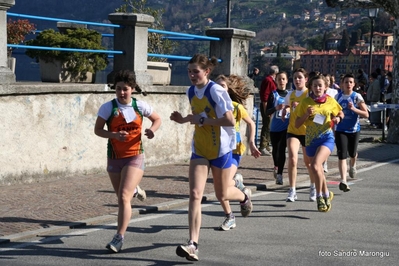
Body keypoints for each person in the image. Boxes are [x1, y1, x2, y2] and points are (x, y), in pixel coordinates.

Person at [170, 54, 253, 261]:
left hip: (221, 150)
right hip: (199, 149)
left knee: (222, 193)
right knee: (195, 194)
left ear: (206, 72)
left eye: (195, 71)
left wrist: (203, 120)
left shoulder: (215, 90)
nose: (191, 75)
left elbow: (227, 120)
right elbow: (198, 117)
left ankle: (243, 197)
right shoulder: (191, 91)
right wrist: (183, 119)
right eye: (189, 71)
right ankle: (192, 244)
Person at [94, 70, 161, 252]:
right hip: (115, 157)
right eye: (118, 89)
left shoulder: (139, 106)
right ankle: (136, 190)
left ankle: (119, 237)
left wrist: (152, 130)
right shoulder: (108, 108)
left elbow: (157, 119)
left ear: (132, 89)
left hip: (135, 155)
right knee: (123, 197)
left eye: (125, 89)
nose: (122, 93)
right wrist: (114, 134)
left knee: (123, 196)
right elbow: (98, 130)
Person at [215, 74, 261, 231]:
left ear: (228, 90)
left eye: (223, 86)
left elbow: (251, 123)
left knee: (222, 189)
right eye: (217, 86)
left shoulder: (236, 107)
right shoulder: (211, 106)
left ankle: (243, 196)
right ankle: (230, 216)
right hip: (216, 150)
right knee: (220, 188)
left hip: (234, 150)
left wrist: (251, 142)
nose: (219, 89)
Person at [295, 74, 344, 212]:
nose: (317, 88)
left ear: (325, 87)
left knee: (316, 165)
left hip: (326, 138)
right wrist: (306, 114)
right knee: (317, 169)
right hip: (311, 140)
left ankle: (320, 197)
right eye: (315, 85)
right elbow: (297, 124)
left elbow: (341, 113)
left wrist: (337, 119)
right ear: (310, 87)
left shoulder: (330, 101)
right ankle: (327, 193)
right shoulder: (305, 102)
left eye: (320, 85)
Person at [282, 68, 315, 202]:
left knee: (309, 163)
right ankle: (292, 190)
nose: (297, 80)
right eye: (295, 78)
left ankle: (313, 187)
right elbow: (287, 106)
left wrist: (300, 105)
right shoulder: (291, 94)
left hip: (307, 131)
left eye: (300, 77)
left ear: (306, 79)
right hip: (293, 130)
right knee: (292, 159)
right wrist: (286, 110)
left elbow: (314, 110)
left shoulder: (309, 94)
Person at [334, 73, 369, 192]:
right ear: (342, 84)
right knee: (342, 155)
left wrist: (353, 109)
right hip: (340, 130)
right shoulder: (337, 97)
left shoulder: (356, 96)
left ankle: (353, 166)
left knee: (352, 153)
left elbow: (366, 114)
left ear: (354, 84)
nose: (348, 84)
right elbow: (332, 112)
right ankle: (343, 180)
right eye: (346, 82)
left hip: (354, 130)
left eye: (350, 82)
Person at [265, 71, 290, 185]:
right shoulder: (273, 94)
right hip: (275, 127)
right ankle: (276, 166)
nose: (281, 81)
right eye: (279, 79)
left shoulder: (290, 95)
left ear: (287, 80)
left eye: (283, 79)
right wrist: (276, 108)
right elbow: (267, 112)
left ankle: (280, 174)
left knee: (282, 149)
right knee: (275, 150)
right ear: (276, 81)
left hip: (287, 127)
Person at [259, 65, 279, 156]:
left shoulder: (269, 80)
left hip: (270, 106)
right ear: (275, 73)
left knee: (269, 126)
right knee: (266, 125)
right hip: (267, 106)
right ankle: (263, 146)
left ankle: (266, 145)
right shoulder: (269, 81)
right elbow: (265, 97)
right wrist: (266, 109)